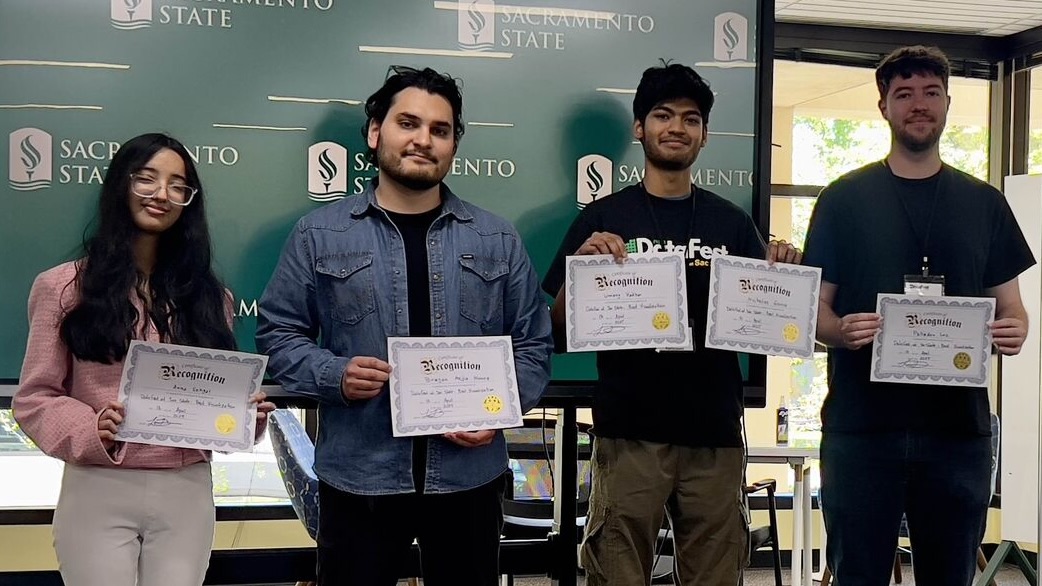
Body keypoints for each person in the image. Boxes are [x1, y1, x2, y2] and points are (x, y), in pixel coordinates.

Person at [255, 65, 553, 586]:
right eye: (408, 123)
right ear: (376, 133)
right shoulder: (318, 234)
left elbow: (532, 345)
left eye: (440, 130)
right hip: (360, 478)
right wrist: (334, 374)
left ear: (453, 145)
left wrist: (502, 409)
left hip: (468, 480)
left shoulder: (497, 239)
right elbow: (278, 334)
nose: (423, 140)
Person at [543, 62, 800, 586]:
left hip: (715, 435)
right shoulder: (602, 218)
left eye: (691, 118)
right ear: (640, 128)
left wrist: (783, 275)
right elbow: (558, 333)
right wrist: (581, 273)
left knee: (716, 576)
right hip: (629, 433)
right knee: (617, 573)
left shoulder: (732, 222)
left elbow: (769, 325)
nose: (677, 127)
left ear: (704, 135)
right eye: (663, 115)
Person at [802, 45, 1035, 586]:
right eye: (904, 94)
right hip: (863, 430)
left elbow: (1013, 310)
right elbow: (815, 313)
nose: (919, 104)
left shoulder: (984, 203)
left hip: (957, 435)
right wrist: (839, 331)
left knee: (950, 577)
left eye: (931, 92)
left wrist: (1015, 330)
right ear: (883, 106)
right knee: (858, 576)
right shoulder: (843, 200)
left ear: (948, 103)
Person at [13, 133, 275, 586]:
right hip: (98, 484)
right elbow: (35, 398)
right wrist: (90, 427)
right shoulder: (62, 288)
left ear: (189, 202)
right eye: (147, 179)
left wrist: (245, 414)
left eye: (178, 185)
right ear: (122, 184)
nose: (162, 194)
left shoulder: (212, 299)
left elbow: (217, 400)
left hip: (187, 489)